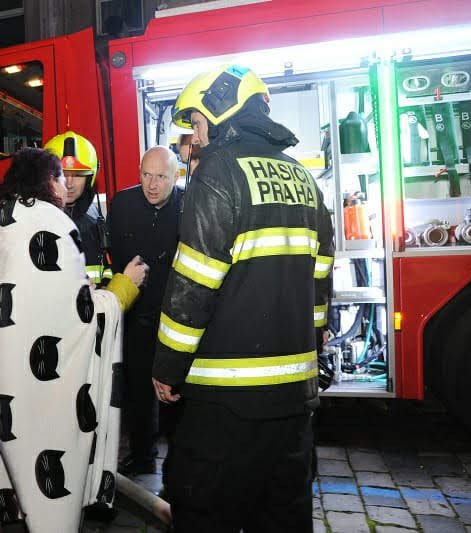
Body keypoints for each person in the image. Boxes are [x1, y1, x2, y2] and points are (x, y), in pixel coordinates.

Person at [152, 65, 335, 532]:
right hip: (295, 402)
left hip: (226, 403)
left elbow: (193, 285)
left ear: (220, 110)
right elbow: (320, 280)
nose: (195, 135)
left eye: (195, 123)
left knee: (204, 514)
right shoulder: (302, 178)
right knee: (282, 516)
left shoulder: (218, 173)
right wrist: (311, 345)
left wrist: (167, 369)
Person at [0, 148, 148, 532]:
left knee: (23, 486)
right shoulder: (51, 224)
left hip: (5, 382)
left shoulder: (4, 221)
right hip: (41, 397)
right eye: (58, 176)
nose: (64, 184)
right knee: (49, 499)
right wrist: (124, 287)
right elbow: (80, 318)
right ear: (44, 181)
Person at [108, 146, 184, 477]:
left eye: (161, 177)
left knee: (174, 391)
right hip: (137, 314)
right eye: (146, 175)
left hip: (174, 317)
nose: (152, 185)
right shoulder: (122, 204)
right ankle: (142, 456)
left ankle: (178, 462)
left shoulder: (189, 206)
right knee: (138, 390)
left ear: (176, 177)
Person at [45, 131, 112, 287]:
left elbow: (106, 264)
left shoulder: (94, 214)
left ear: (90, 178)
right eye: (62, 174)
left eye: (78, 175)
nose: (69, 183)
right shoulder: (40, 222)